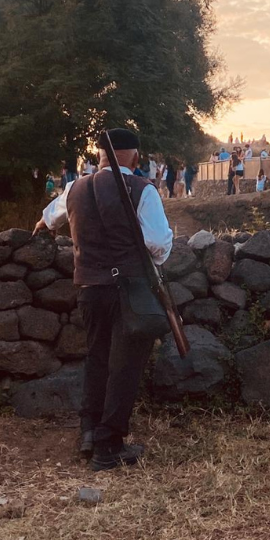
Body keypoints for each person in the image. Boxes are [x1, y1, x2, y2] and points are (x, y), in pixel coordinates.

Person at [33, 128, 173, 471]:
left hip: (90, 289)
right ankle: (108, 448)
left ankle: (88, 433)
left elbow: (49, 217)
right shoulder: (143, 189)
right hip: (130, 289)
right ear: (136, 158)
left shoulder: (75, 188)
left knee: (97, 359)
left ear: (100, 157)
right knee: (124, 367)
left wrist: (41, 224)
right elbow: (158, 243)